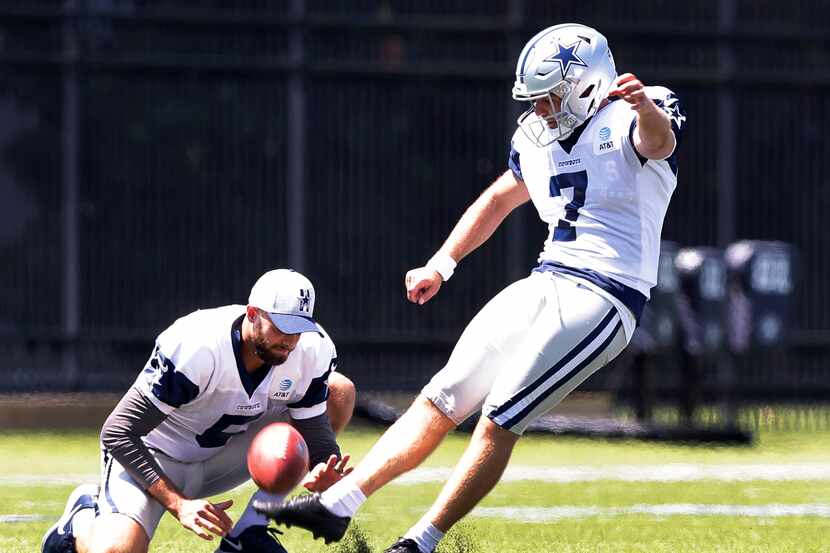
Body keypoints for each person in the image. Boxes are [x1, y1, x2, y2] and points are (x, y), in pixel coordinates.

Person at [255, 22, 687, 553]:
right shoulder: (534, 135)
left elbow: (658, 142)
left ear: (587, 84)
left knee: (500, 413)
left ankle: (421, 541)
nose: (543, 111)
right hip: (547, 277)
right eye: (538, 99)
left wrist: (643, 106)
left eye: (552, 98)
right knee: (441, 396)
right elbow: (499, 199)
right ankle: (337, 504)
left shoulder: (636, 113)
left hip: (606, 295)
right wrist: (442, 263)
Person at [41, 269, 356, 553]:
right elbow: (118, 432)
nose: (289, 341)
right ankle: (78, 521)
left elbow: (315, 431)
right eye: (281, 327)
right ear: (253, 314)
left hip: (226, 453)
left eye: (298, 329)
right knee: (116, 550)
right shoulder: (198, 346)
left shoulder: (310, 350)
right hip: (156, 456)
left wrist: (322, 471)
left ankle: (250, 532)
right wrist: (180, 505)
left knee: (338, 391)